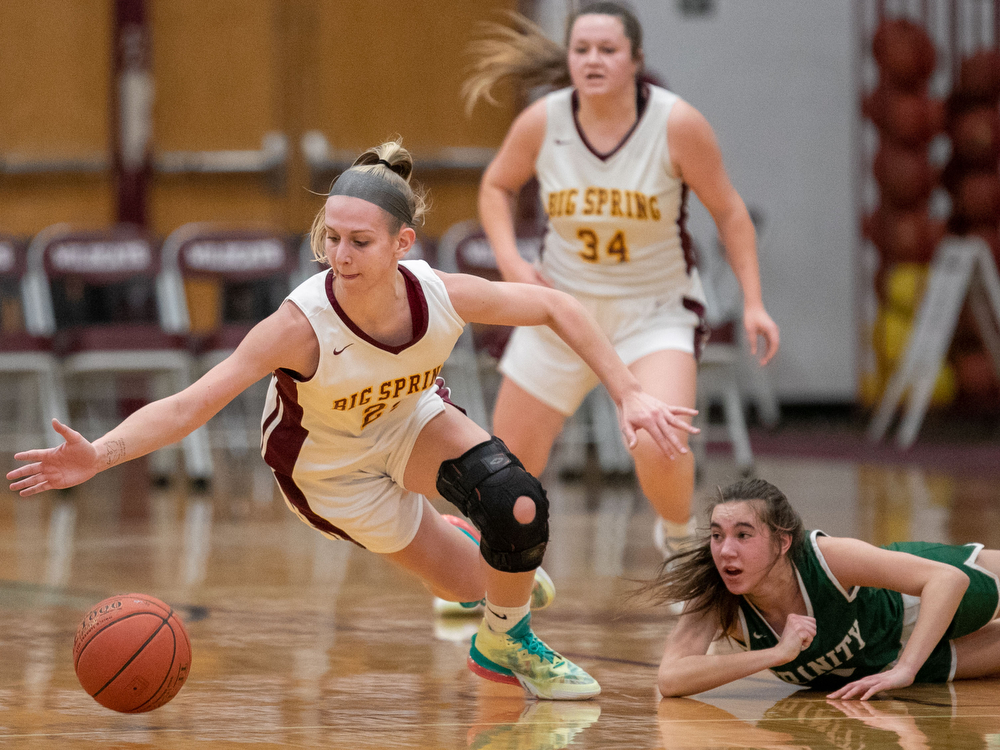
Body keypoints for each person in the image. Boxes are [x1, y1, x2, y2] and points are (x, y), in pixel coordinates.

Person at [7, 140, 700, 702]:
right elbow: (192, 404)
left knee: (517, 505)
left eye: (359, 242)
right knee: (480, 582)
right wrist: (99, 453)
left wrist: (629, 392)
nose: (340, 256)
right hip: (330, 472)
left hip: (407, 421)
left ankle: (502, 645)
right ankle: (476, 568)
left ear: (403, 242)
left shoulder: (440, 294)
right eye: (331, 238)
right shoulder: (299, 327)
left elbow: (558, 308)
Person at [465, 1, 780, 559]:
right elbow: (496, 185)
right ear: (568, 58)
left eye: (607, 50)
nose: (593, 60)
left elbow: (729, 212)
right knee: (504, 466)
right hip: (559, 311)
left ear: (635, 59)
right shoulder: (544, 120)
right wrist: (513, 264)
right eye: (581, 49)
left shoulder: (676, 123)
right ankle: (494, 569)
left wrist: (753, 302)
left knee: (660, 446)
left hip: (653, 312)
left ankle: (679, 536)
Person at [647, 478, 1000, 700]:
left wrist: (905, 669)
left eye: (743, 535)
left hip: (919, 600)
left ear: (782, 542)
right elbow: (671, 677)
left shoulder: (824, 557)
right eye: (716, 535)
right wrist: (774, 655)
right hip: (890, 661)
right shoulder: (717, 593)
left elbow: (948, 581)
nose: (725, 550)